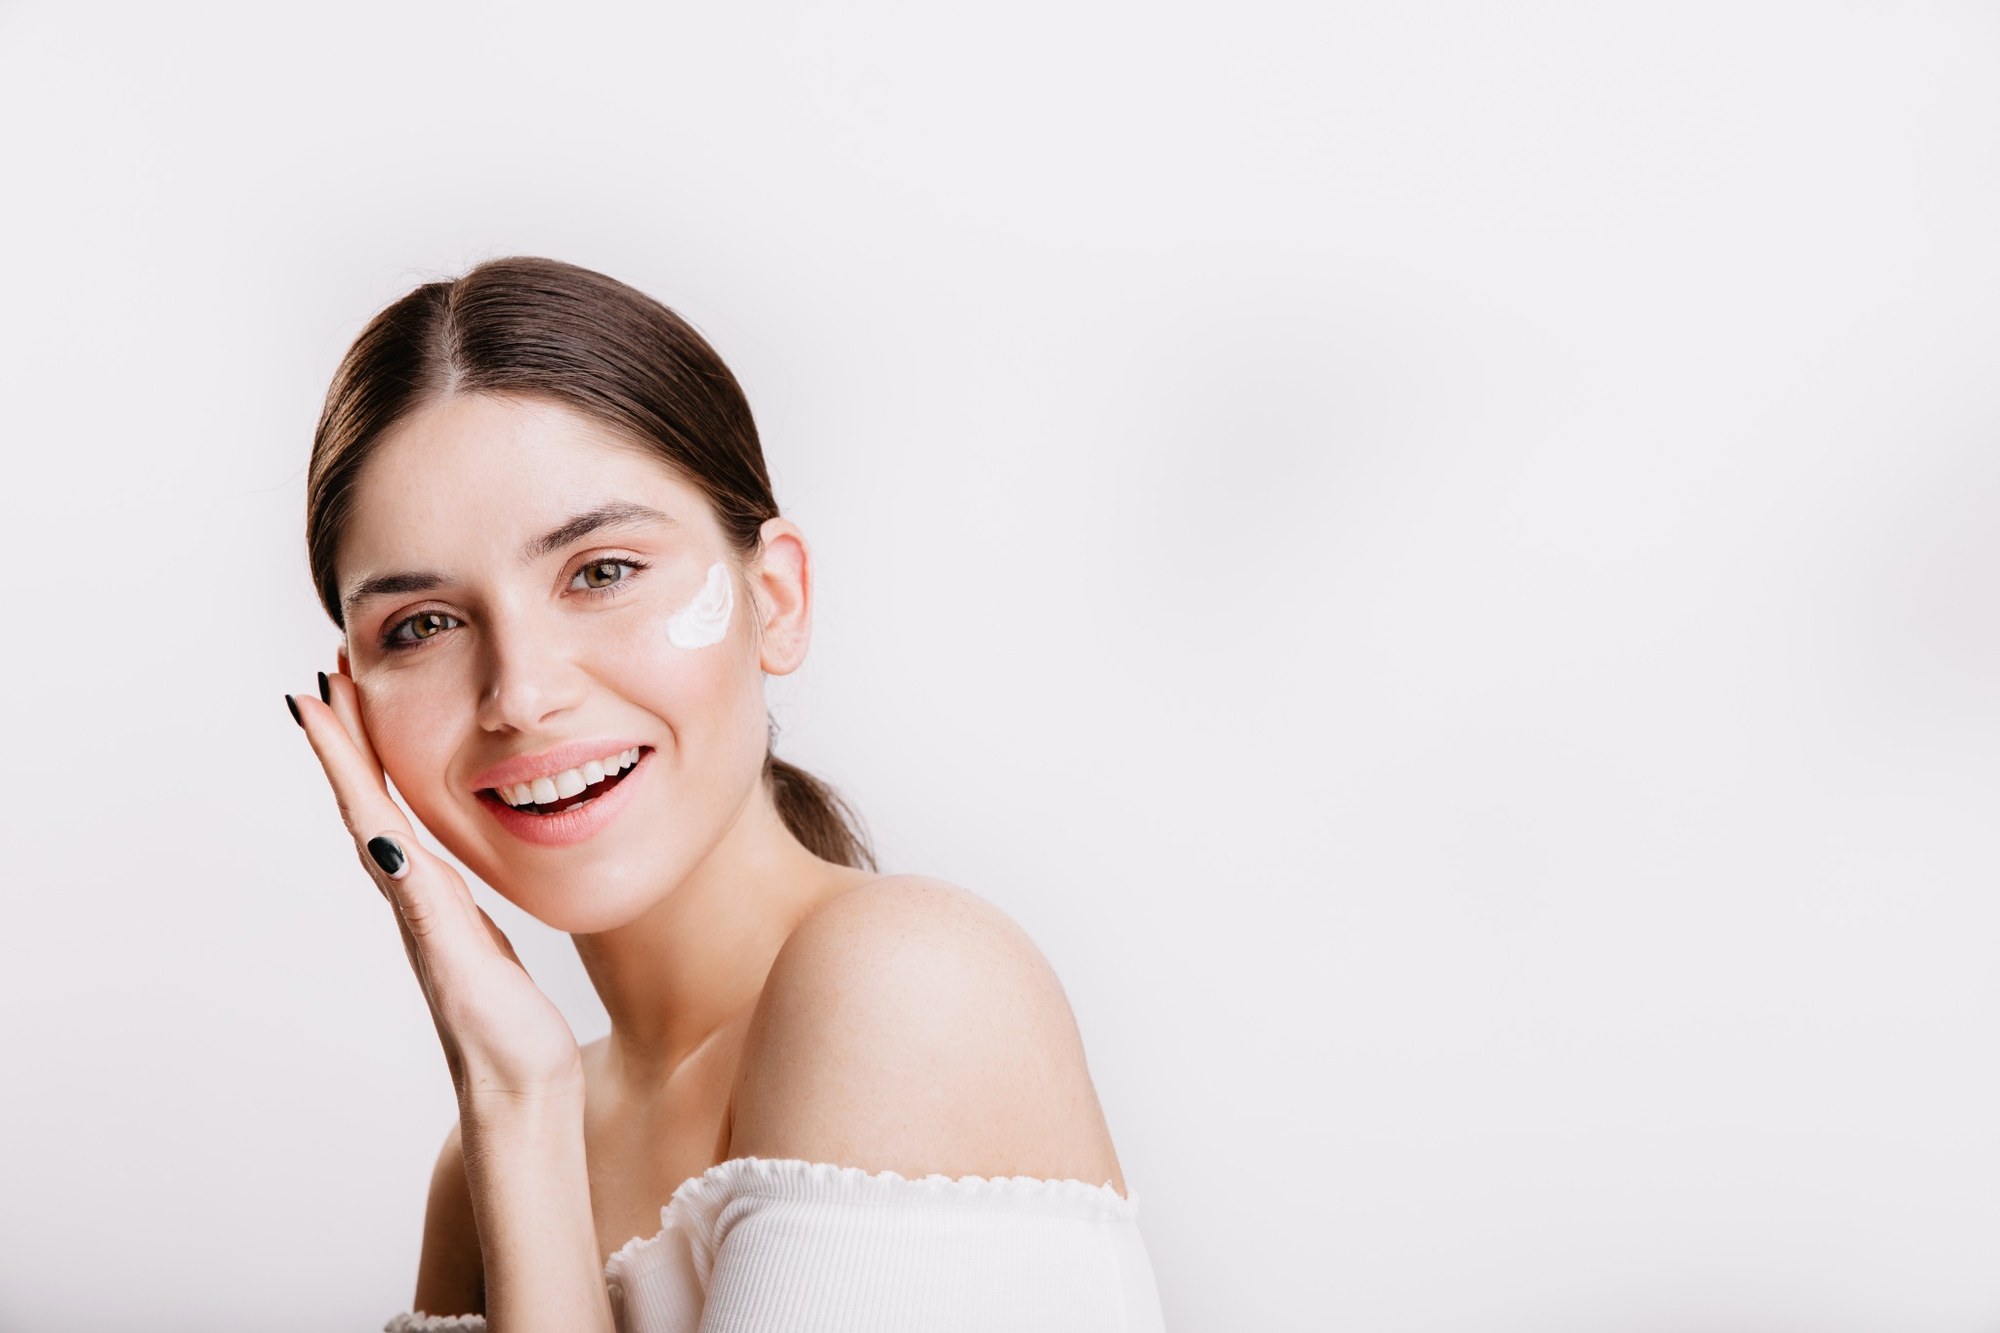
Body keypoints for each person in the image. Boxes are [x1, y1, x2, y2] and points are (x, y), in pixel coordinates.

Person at [283, 257, 1165, 1332]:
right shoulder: (491, 1153)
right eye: (423, 625)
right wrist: (515, 1104)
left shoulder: (909, 981)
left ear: (775, 598)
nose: (519, 693)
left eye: (601, 571)